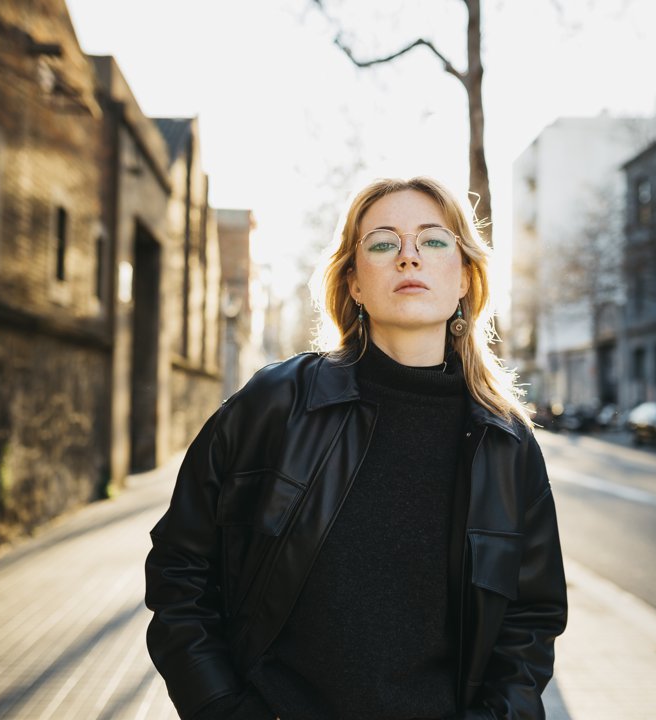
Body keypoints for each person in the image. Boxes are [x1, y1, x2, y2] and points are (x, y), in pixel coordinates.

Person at [145, 176, 567, 720]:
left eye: (433, 241)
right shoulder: (277, 405)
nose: (409, 257)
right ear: (354, 283)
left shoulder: (507, 445)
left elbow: (530, 621)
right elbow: (181, 568)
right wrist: (222, 707)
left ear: (465, 276)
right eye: (384, 243)